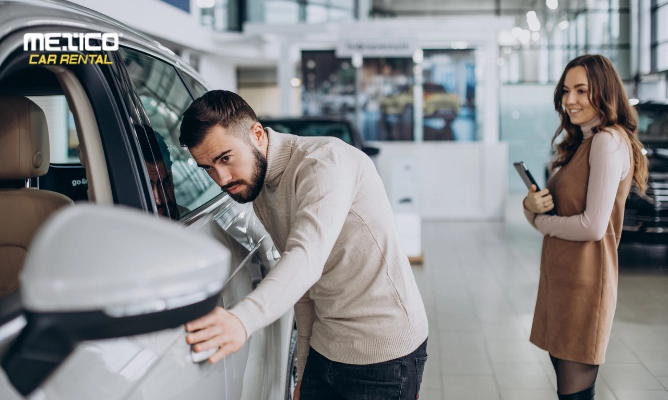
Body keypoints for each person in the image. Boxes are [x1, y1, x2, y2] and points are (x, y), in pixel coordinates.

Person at [178, 90, 429, 400]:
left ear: (257, 134)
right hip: (326, 349)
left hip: (383, 355)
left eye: (225, 158)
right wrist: (304, 369)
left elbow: (306, 256)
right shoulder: (263, 188)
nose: (222, 178)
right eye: (208, 169)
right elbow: (304, 289)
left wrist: (242, 320)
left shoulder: (324, 162)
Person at [523, 54, 648, 400]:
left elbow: (593, 227)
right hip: (562, 280)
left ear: (605, 92)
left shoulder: (608, 141)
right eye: (566, 90)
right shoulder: (582, 141)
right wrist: (531, 207)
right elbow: (555, 208)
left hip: (585, 285)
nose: (570, 100)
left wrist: (540, 221)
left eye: (581, 90)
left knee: (575, 396)